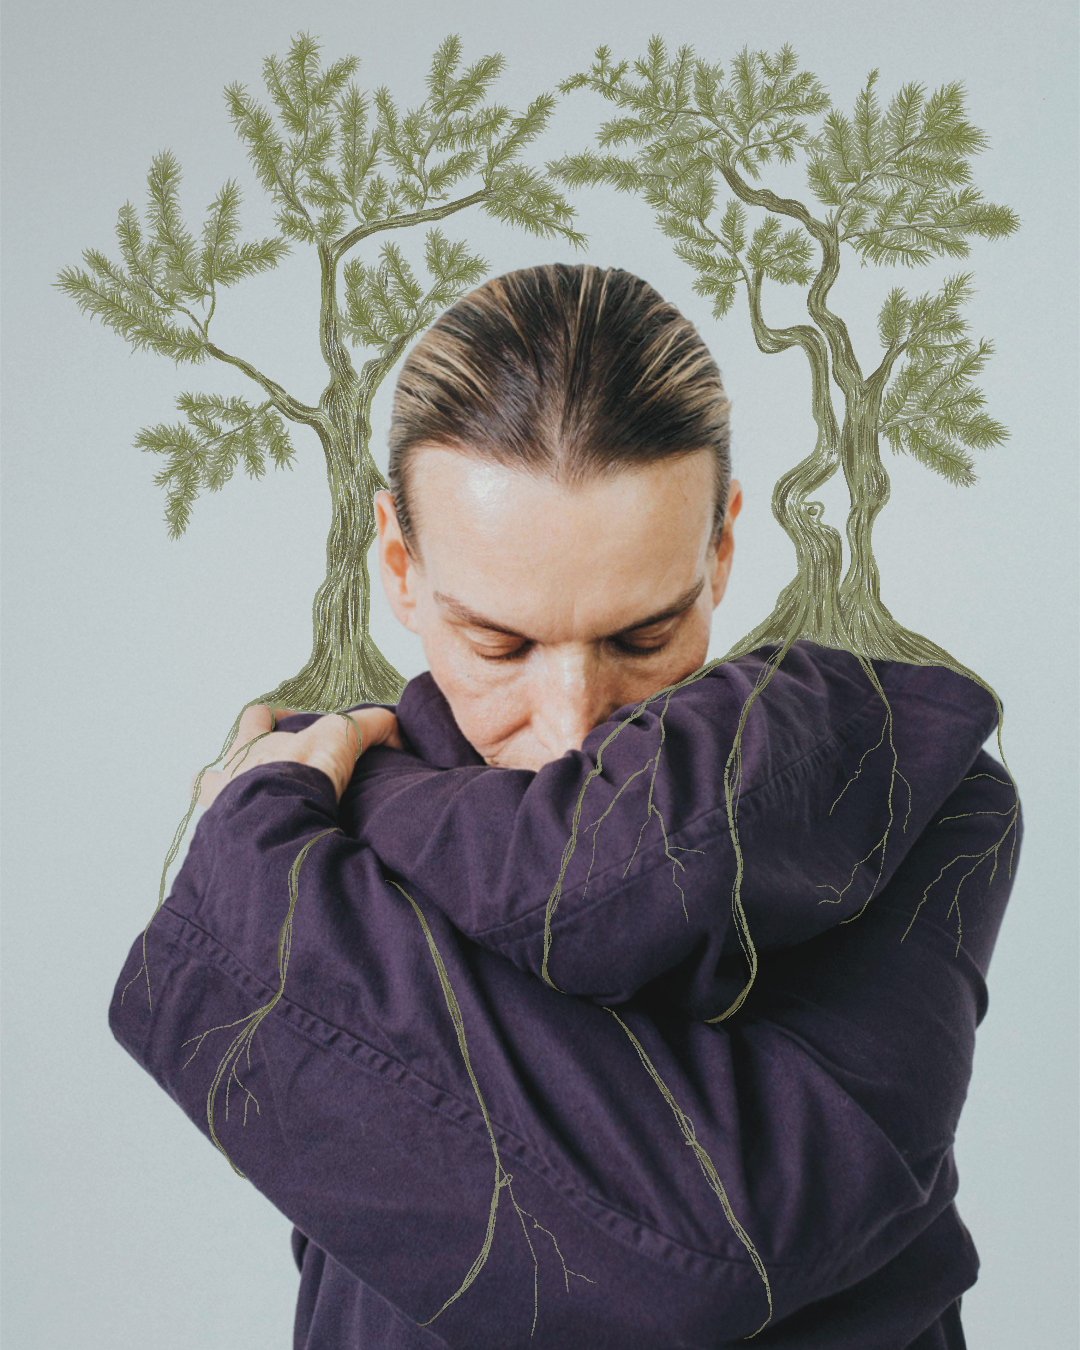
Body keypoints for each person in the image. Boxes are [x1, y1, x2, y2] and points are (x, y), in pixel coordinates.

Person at [109, 264, 1021, 1349]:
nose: (575, 728)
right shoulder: (322, 818)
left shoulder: (909, 800)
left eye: (644, 638)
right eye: (500, 645)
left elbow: (715, 1247)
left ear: (721, 549)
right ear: (398, 564)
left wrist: (277, 859)